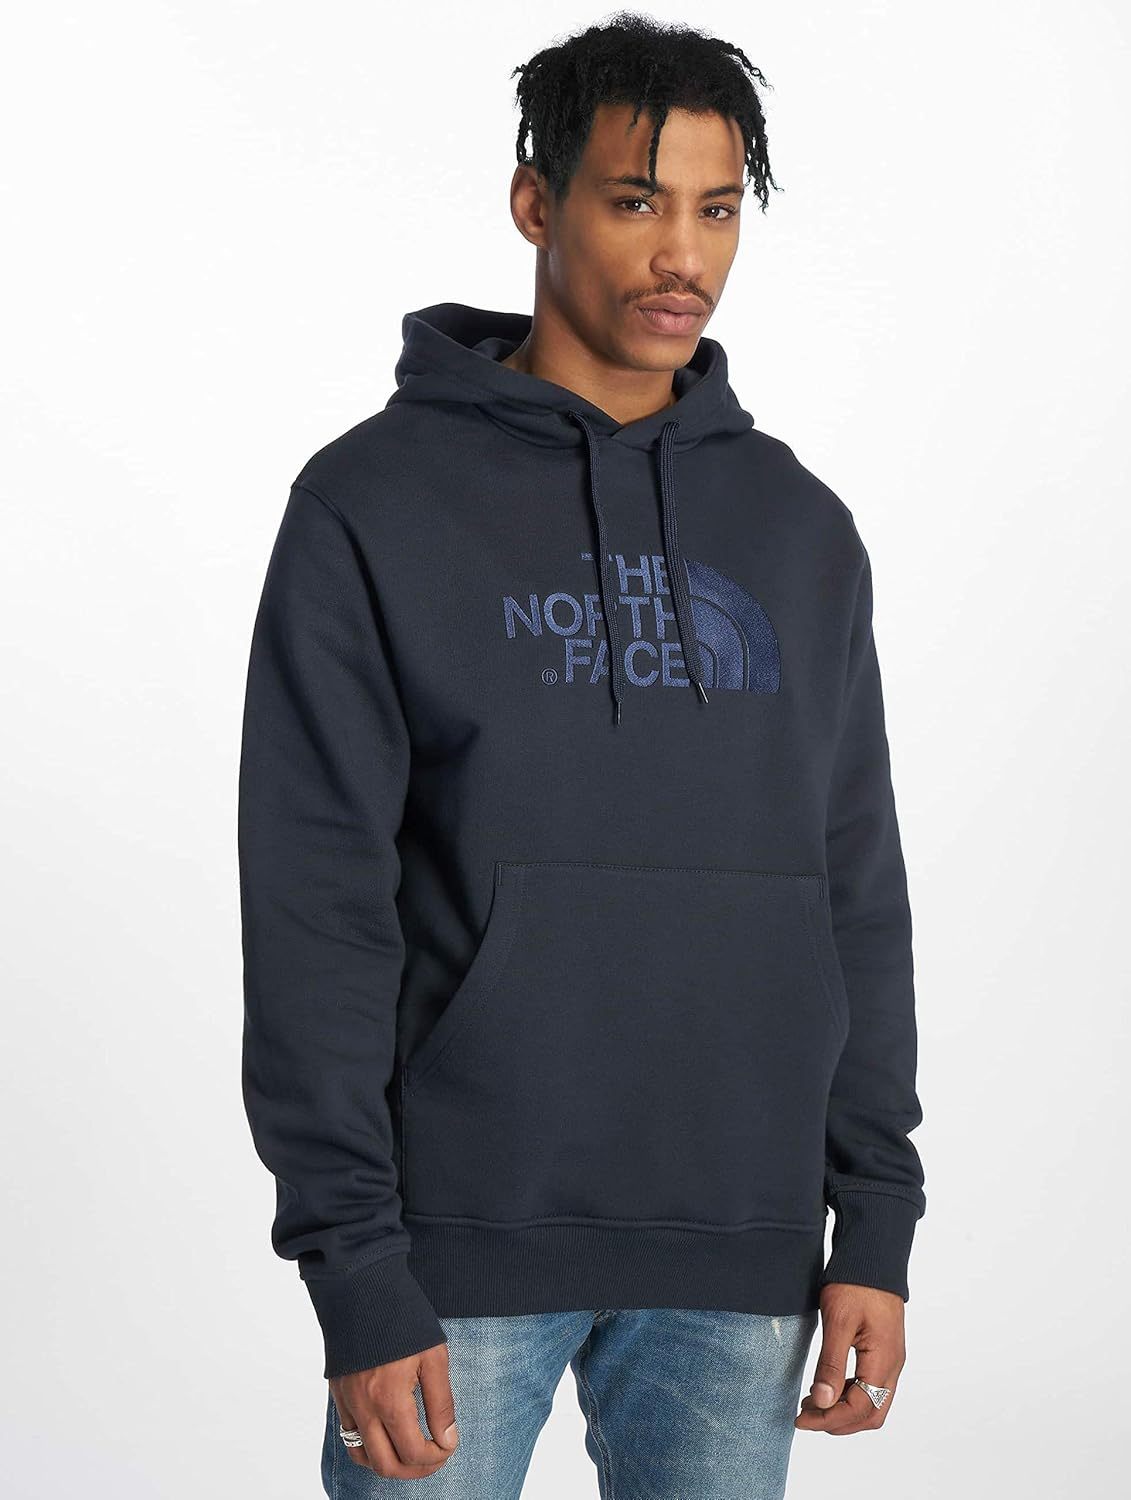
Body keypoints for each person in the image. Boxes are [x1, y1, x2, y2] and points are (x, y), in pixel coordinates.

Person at [237, 12, 927, 1497]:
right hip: (451, 1253)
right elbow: (315, 904)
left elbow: (855, 885)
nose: (684, 255)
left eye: (718, 210)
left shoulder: (800, 530)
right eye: (635, 201)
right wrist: (355, 1265)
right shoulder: (372, 504)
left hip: (742, 1249)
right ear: (535, 203)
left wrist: (873, 1216)